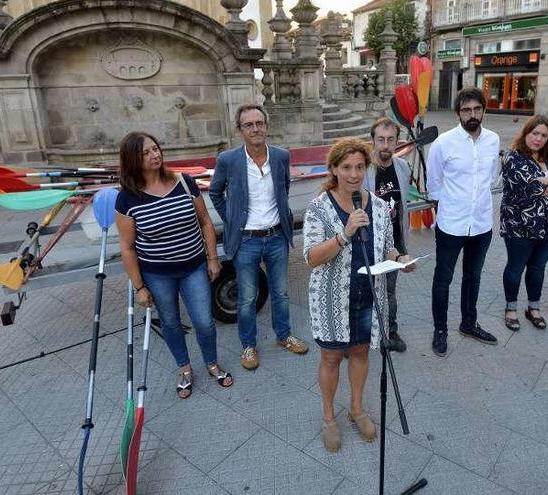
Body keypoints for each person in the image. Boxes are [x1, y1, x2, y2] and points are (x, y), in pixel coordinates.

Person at [303, 138, 416, 453]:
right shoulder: (318, 208)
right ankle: (328, 417)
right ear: (335, 169)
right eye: (346, 167)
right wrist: (345, 233)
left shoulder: (379, 207)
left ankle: (356, 408)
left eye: (359, 167)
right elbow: (311, 257)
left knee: (362, 353)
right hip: (331, 299)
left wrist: (400, 259)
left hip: (369, 296)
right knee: (331, 357)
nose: (354, 174)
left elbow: (387, 246)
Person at [115, 131, 232, 399]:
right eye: (145, 152)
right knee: (170, 322)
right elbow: (127, 247)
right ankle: (185, 368)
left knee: (204, 322)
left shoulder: (184, 182)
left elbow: (205, 222)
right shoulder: (127, 199)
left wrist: (213, 257)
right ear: (132, 159)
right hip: (157, 274)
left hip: (194, 268)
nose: (154, 155)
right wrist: (139, 287)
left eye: (155, 149)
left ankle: (212, 362)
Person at [210, 104, 309, 371]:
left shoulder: (280, 156)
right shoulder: (228, 160)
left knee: (281, 292)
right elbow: (215, 192)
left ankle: (283, 335)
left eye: (259, 123)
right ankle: (248, 346)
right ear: (239, 130)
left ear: (266, 126)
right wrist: (231, 219)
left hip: (277, 236)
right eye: (249, 125)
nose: (255, 129)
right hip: (246, 240)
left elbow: (284, 188)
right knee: (246, 297)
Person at [427, 87, 501, 355]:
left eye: (477, 109)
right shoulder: (443, 143)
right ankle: (440, 329)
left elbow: (491, 178)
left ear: (484, 110)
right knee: (443, 279)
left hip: (481, 224)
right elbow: (433, 185)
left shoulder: (493, 140)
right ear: (458, 112)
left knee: (474, 277)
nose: (472, 114)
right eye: (466, 110)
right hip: (451, 225)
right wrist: (448, 208)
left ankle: (469, 323)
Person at [500, 116, 548, 331]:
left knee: (537, 269)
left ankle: (533, 308)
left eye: (544, 135)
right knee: (515, 269)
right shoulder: (513, 158)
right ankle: (511, 308)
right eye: (535, 133)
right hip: (519, 227)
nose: (538, 139)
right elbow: (526, 192)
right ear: (525, 133)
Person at [362, 117, 411, 352]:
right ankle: (360, 338)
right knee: (363, 290)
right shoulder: (363, 171)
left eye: (390, 140)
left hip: (395, 242)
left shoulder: (402, 167)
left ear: (396, 142)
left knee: (389, 291)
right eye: (380, 139)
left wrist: (403, 246)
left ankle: (390, 332)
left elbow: (402, 207)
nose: (385, 145)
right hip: (368, 242)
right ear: (372, 141)